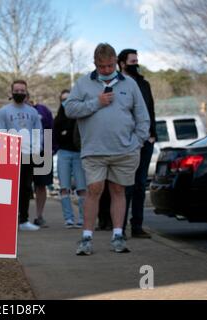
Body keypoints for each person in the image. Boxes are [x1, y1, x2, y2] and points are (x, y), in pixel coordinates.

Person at [64, 43, 150, 255]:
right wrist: (96, 102)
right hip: (94, 151)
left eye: (110, 65)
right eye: (102, 66)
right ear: (95, 64)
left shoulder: (129, 84)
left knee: (119, 191)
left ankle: (118, 235)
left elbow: (142, 115)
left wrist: (137, 141)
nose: (106, 70)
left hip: (124, 151)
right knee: (94, 190)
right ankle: (86, 238)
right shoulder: (84, 83)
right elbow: (70, 109)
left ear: (116, 63)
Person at [118, 49, 157, 239]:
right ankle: (120, 227)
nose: (136, 64)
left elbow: (150, 110)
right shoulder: (116, 84)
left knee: (141, 185)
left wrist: (152, 135)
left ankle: (137, 226)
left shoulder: (144, 84)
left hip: (146, 141)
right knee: (125, 185)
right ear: (122, 63)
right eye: (132, 61)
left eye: (137, 60)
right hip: (126, 142)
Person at [0, 80, 43, 231]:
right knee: (8, 188)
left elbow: (38, 132)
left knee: (25, 188)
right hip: (9, 154)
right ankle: (6, 220)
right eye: (17, 90)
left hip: (28, 154)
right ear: (11, 92)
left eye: (22, 90)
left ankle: (23, 220)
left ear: (26, 92)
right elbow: (0, 132)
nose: (20, 93)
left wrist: (37, 149)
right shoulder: (4, 111)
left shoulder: (33, 112)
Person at [53, 89, 87, 229]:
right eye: (63, 99)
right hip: (63, 154)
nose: (66, 102)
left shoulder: (80, 117)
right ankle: (68, 218)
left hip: (79, 154)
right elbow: (56, 136)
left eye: (68, 99)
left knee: (81, 188)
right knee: (64, 187)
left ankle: (83, 218)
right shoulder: (58, 119)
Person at [27, 93, 54, 228]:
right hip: (24, 152)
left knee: (41, 185)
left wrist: (51, 149)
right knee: (23, 186)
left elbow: (50, 129)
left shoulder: (43, 110)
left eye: (27, 98)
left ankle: (39, 216)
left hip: (42, 151)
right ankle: (22, 216)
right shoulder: (14, 112)